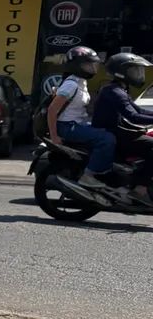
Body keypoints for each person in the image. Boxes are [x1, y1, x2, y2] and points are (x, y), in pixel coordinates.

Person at [46, 45, 114, 189]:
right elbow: (52, 110)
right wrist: (54, 136)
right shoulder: (71, 85)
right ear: (77, 66)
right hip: (67, 126)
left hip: (77, 124)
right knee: (107, 139)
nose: (92, 68)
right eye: (88, 65)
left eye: (93, 64)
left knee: (111, 130)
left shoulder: (80, 82)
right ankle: (90, 175)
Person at [92, 51, 153, 208]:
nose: (138, 74)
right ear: (121, 72)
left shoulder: (119, 90)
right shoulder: (114, 91)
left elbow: (139, 111)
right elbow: (133, 116)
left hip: (119, 132)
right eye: (134, 70)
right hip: (114, 135)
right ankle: (140, 189)